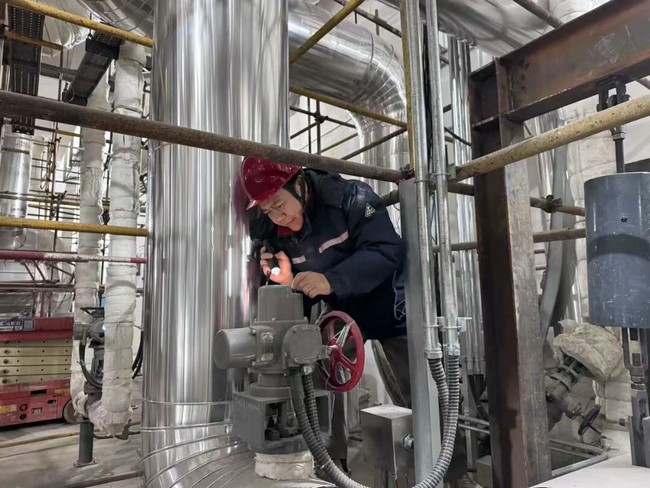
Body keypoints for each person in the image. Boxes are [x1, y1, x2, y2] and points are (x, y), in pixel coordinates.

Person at [241, 156, 412, 468]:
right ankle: (329, 462)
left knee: (418, 392)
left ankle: (442, 466)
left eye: (279, 204)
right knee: (315, 370)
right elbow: (293, 286)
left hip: (392, 307)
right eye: (268, 211)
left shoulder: (351, 198)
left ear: (299, 183)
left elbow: (386, 250)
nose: (278, 216)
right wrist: (286, 281)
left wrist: (331, 280)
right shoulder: (273, 230)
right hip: (343, 313)